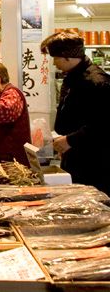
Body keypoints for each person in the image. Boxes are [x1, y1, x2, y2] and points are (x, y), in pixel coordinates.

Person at [40, 31, 110, 195]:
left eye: (55, 58)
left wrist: (70, 140)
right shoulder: (73, 77)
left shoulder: (97, 82)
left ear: (67, 57)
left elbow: (104, 124)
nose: (54, 63)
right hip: (75, 156)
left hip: (94, 164)